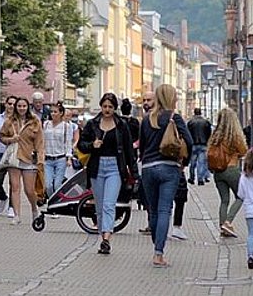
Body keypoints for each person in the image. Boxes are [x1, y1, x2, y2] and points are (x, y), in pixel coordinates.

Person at [138, 83, 191, 266]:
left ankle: (157, 244)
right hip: (169, 168)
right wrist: (184, 162)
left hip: (148, 168)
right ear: (170, 98)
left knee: (152, 210)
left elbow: (142, 146)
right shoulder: (174, 118)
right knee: (164, 210)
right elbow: (189, 142)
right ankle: (158, 253)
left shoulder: (146, 119)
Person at [77, 92, 136, 255]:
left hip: (115, 167)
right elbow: (81, 145)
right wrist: (92, 144)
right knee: (100, 205)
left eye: (110, 107)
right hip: (97, 167)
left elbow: (129, 150)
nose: (107, 110)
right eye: (104, 106)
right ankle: (102, 234)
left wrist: (134, 173)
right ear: (101, 107)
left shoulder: (121, 125)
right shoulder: (92, 124)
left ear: (115, 108)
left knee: (109, 204)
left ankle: (106, 239)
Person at [0, 96, 44, 225]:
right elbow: (2, 136)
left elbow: (40, 141)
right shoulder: (10, 121)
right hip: (14, 157)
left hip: (29, 157)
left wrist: (40, 158)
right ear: (15, 107)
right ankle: (16, 215)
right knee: (15, 187)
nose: (21, 108)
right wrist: (11, 139)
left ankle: (34, 209)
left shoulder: (35, 121)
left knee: (29, 190)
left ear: (28, 107)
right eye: (19, 106)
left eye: (24, 106)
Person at [207, 108, 249, 239]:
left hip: (218, 172)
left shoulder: (215, 136)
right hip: (231, 169)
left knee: (224, 200)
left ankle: (222, 226)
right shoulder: (234, 135)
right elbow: (243, 151)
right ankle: (228, 222)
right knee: (241, 196)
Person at [42, 103, 77, 203]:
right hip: (48, 158)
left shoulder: (66, 126)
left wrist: (69, 157)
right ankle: (52, 201)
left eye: (55, 112)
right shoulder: (46, 124)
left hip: (60, 158)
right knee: (48, 184)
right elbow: (42, 140)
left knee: (57, 184)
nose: (53, 114)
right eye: (51, 111)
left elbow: (68, 143)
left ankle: (55, 204)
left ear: (61, 113)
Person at [187, 107, 214, 185]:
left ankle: (192, 178)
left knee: (192, 163)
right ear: (200, 113)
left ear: (194, 113)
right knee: (201, 163)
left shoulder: (190, 122)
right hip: (203, 144)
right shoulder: (206, 122)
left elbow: (187, 134)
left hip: (193, 145)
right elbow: (209, 132)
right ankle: (200, 179)